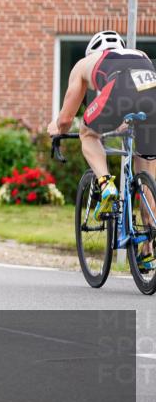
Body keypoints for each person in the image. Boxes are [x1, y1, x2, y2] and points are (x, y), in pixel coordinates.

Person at [48, 30, 156, 268]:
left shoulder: (84, 64)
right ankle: (147, 246)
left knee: (88, 133)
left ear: (92, 51)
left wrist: (56, 127)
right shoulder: (141, 53)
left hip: (121, 86)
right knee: (146, 168)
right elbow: (140, 93)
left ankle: (106, 184)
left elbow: (67, 118)